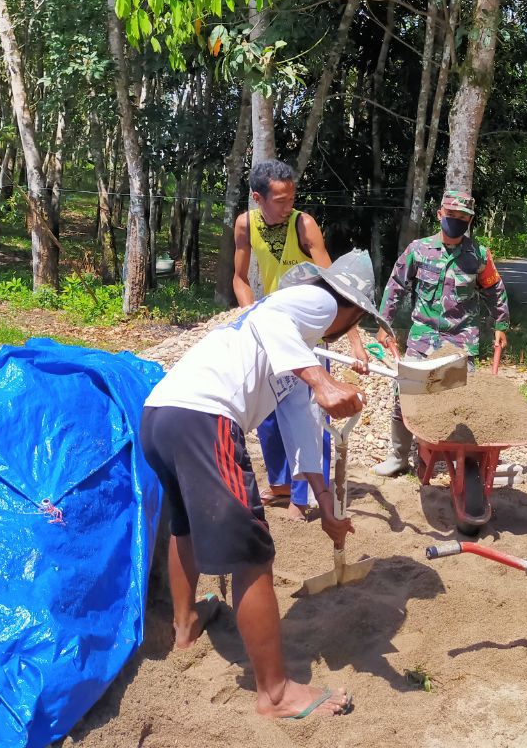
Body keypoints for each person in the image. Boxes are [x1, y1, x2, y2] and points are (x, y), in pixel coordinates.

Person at [140, 250, 386, 720]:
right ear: (352, 307)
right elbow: (274, 316)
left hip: (160, 416)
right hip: (204, 416)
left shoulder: (296, 348)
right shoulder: (318, 303)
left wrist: (327, 505)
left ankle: (186, 625)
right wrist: (323, 383)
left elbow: (301, 431)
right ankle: (275, 694)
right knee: (254, 552)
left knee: (186, 525)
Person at [233, 159, 369, 520]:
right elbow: (240, 278)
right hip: (269, 326)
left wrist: (354, 343)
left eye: (291, 197)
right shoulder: (245, 225)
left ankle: (303, 494)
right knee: (267, 412)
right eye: (279, 200)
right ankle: (279, 483)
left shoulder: (303, 225)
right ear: (257, 198)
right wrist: (250, 315)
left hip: (307, 328)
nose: (287, 205)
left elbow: (340, 289)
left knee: (308, 412)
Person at [374, 190, 509, 476]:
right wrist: (384, 324)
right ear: (439, 215)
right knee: (405, 394)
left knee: (462, 401)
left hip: (461, 340)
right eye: (452, 216)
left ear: (470, 221)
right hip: (423, 338)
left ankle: (456, 456)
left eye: (463, 218)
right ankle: (399, 456)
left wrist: (500, 324)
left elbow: (494, 289)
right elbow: (396, 285)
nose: (456, 222)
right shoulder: (418, 250)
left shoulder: (478, 256)